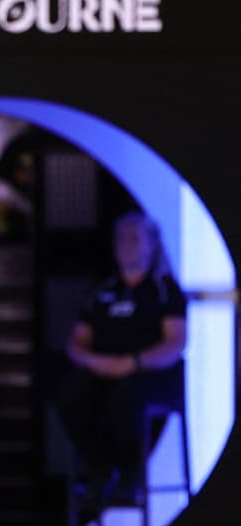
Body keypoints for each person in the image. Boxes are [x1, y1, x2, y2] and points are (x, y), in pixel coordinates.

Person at [56, 210, 187, 505]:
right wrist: (93, 362)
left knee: (125, 398)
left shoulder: (165, 291)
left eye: (134, 238)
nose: (126, 244)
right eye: (121, 238)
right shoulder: (102, 291)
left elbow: (175, 342)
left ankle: (131, 478)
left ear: (152, 244)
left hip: (151, 373)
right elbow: (77, 341)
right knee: (71, 397)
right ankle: (99, 470)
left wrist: (134, 362)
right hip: (102, 370)